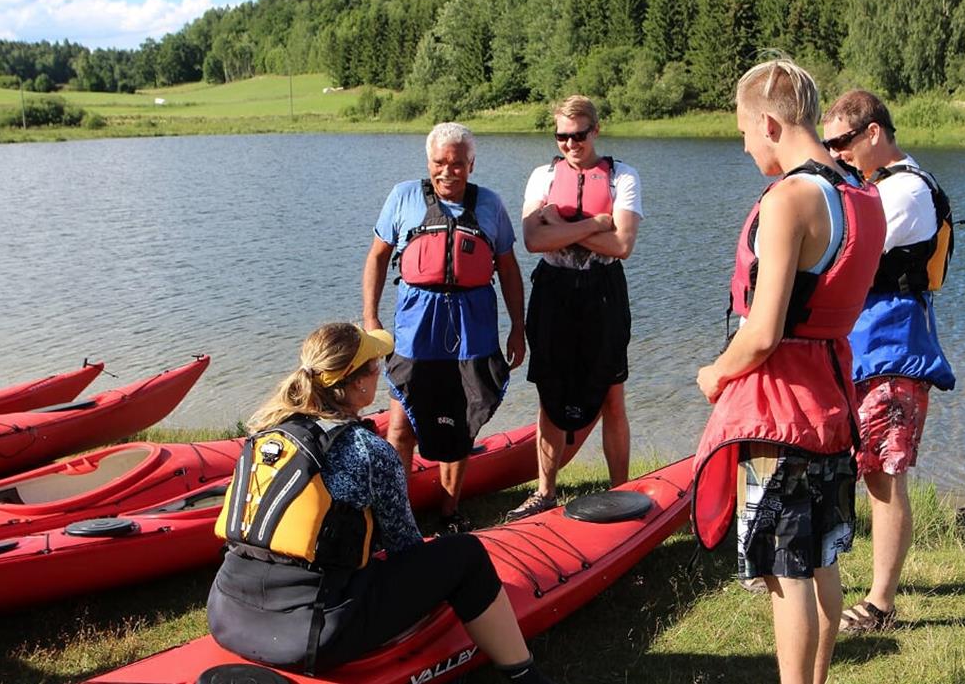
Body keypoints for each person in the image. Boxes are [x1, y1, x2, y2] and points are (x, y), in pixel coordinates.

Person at [207, 323, 551, 683]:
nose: (380, 371)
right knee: (467, 554)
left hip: (225, 613)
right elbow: (405, 546)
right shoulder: (368, 450)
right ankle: (523, 673)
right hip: (311, 636)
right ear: (358, 383)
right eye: (375, 365)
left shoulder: (267, 435)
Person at [691, 60, 885, 684]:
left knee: (785, 569)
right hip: (831, 396)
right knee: (822, 555)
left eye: (745, 133)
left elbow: (763, 331)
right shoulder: (862, 194)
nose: (746, 148)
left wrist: (715, 374)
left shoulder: (790, 200)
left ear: (770, 124)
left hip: (782, 408)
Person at [821, 90, 957, 634]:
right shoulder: (876, 185)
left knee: (884, 475)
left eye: (841, 142)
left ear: (873, 132)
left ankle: (880, 604)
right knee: (860, 468)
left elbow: (845, 253)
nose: (834, 153)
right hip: (866, 349)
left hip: (895, 353)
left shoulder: (904, 191)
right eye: (827, 145)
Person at [362, 122, 525, 533]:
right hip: (416, 326)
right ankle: (396, 517)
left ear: (471, 164)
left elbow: (508, 269)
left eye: (457, 163)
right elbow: (377, 257)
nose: (447, 171)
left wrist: (518, 327)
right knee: (401, 424)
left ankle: (450, 513)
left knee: (462, 419)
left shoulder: (490, 204)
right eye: (439, 163)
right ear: (428, 162)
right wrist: (371, 318)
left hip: (473, 327)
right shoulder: (403, 197)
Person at [506, 95, 642, 521]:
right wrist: (595, 224)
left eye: (579, 135)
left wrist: (559, 226)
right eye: (561, 136)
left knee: (612, 395)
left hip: (603, 291)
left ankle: (620, 492)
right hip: (554, 291)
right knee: (549, 394)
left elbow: (622, 245)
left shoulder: (623, 177)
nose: (570, 144)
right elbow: (533, 240)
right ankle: (545, 492)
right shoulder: (543, 176)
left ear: (595, 130)